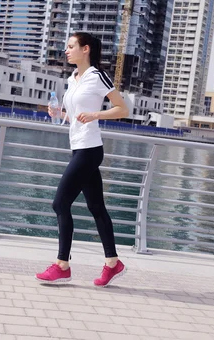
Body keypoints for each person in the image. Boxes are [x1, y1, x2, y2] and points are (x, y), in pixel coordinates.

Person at [36, 32, 130, 287]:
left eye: (70, 46)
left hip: (90, 150)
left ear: (85, 49)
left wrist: (96, 115)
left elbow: (123, 109)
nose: (66, 51)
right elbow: (77, 114)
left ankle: (62, 265)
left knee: (60, 203)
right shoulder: (73, 78)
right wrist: (60, 113)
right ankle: (113, 263)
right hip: (78, 147)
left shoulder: (97, 76)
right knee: (96, 208)